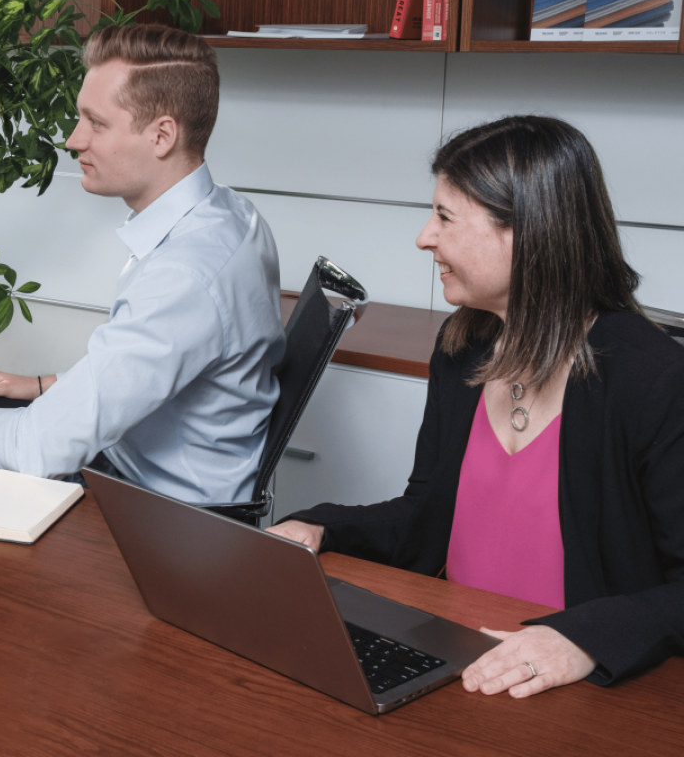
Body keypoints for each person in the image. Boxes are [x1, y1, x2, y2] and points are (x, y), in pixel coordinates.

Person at [270, 115, 684, 697]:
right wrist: (319, 525)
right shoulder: (462, 348)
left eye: (444, 216)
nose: (424, 237)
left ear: (526, 232)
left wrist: (583, 637)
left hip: (579, 688)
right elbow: (425, 517)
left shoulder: (653, 379)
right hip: (456, 663)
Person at [0, 24, 285, 504]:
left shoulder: (184, 275)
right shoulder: (232, 215)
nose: (74, 141)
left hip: (154, 515)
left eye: (96, 123)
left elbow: (35, 450)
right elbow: (157, 367)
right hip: (142, 466)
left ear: (162, 136)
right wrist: (48, 386)